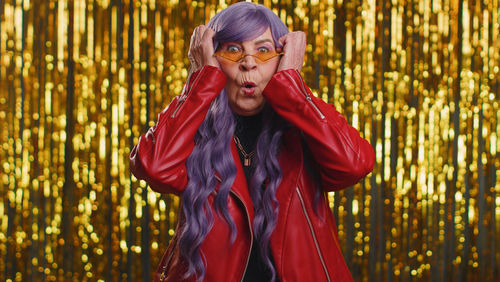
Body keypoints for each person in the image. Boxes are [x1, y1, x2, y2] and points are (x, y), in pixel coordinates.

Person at [129, 2, 375, 282]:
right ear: (213, 60)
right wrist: (200, 80)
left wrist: (292, 87)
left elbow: (355, 164)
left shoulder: (307, 133)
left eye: (264, 50)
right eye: (233, 49)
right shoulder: (191, 133)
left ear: (283, 61)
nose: (249, 62)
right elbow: (154, 166)